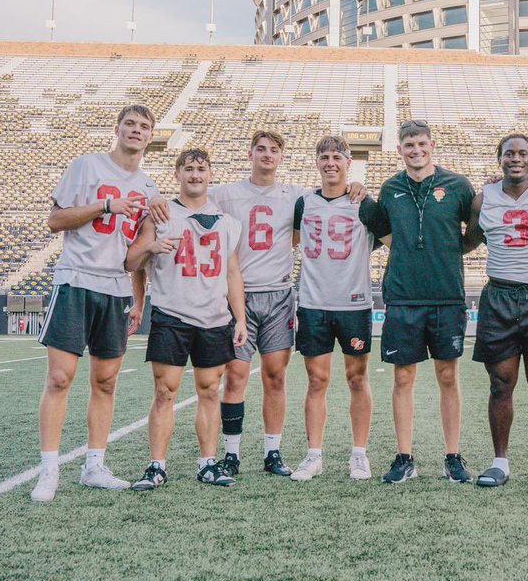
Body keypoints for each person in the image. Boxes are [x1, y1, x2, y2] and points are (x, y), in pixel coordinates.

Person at [147, 131, 368, 479]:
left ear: (282, 157)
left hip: (278, 294)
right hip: (239, 296)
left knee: (275, 377)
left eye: (274, 150)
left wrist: (357, 186)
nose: (267, 155)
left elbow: (323, 208)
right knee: (235, 376)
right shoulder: (225, 193)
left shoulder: (297, 196)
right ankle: (231, 454)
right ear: (249, 153)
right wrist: (157, 197)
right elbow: (190, 196)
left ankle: (272, 451)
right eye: (261, 149)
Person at [31, 105, 159, 502]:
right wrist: (105, 206)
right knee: (60, 378)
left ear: (151, 136)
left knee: (105, 381)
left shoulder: (150, 188)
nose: (136, 131)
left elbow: (135, 258)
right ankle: (49, 469)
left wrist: (140, 296)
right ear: (117, 129)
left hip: (117, 289)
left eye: (144, 127)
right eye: (130, 124)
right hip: (77, 280)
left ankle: (94, 465)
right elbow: (55, 221)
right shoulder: (86, 166)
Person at [125, 148, 247, 490]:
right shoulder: (160, 215)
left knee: (210, 391)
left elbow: (233, 273)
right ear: (177, 174)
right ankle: (157, 466)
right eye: (188, 168)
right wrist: (151, 248)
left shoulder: (228, 222)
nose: (195, 174)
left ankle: (208, 463)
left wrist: (240, 319)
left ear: (211, 176)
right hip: (172, 314)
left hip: (213, 317)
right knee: (165, 392)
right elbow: (131, 263)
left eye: (201, 169)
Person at [373, 120, 475, 484]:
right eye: (408, 145)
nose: (415, 150)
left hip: (446, 296)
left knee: (448, 376)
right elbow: (384, 233)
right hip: (403, 297)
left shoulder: (458, 186)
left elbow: (474, 230)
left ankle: (452, 456)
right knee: (403, 377)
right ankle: (404, 457)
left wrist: (451, 251)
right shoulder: (390, 189)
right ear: (400, 150)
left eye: (421, 144)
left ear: (432, 145)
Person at [463, 134, 528, 488]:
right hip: (500, 295)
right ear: (499, 159)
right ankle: (500, 462)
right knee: (500, 383)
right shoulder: (483, 198)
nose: (516, 159)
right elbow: (469, 241)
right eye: (509, 153)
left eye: (523, 153)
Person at [290, 136, 388, 481]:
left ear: (349, 163)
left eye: (337, 157)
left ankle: (359, 454)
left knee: (356, 378)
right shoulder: (303, 203)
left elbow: (394, 242)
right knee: (316, 381)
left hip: (354, 304)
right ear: (316, 162)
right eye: (324, 156)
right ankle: (313, 454)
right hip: (314, 304)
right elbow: (286, 243)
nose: (330, 162)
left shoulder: (364, 203)